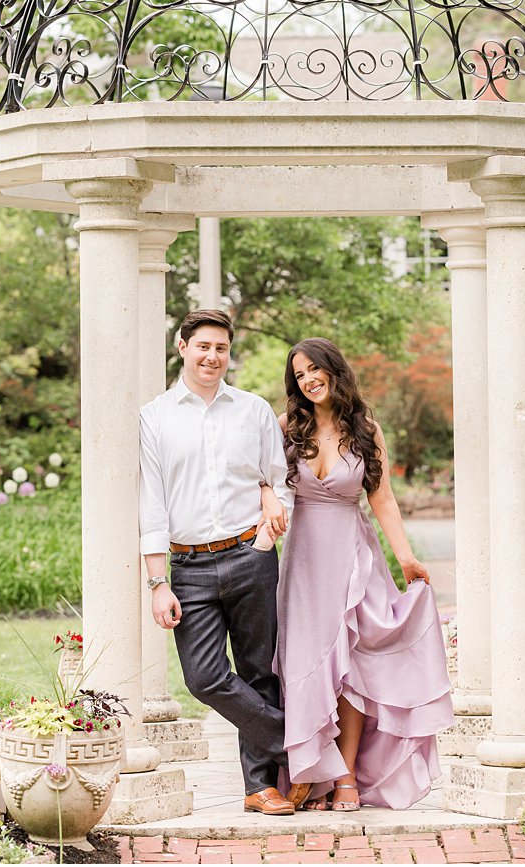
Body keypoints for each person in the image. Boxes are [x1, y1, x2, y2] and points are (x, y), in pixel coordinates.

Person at [273, 337, 454, 811]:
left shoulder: (365, 429)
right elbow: (260, 484)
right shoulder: (286, 428)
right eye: (300, 373)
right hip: (304, 561)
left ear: (334, 370)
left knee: (351, 667)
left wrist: (406, 557)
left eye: (315, 368)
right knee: (305, 663)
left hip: (354, 555)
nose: (309, 378)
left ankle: (347, 775)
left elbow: (383, 499)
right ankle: (314, 775)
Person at [139, 308, 304, 816]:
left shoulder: (253, 410)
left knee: (259, 672)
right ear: (182, 346)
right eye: (204, 346)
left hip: (250, 556)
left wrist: (264, 530)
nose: (213, 356)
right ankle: (301, 750)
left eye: (222, 348)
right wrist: (157, 581)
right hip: (188, 569)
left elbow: (280, 482)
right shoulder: (156, 417)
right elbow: (152, 502)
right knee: (204, 678)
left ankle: (260, 787)